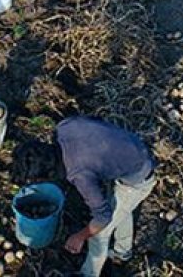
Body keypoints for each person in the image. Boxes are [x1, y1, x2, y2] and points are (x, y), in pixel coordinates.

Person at [13, 116, 157, 276]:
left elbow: (103, 217)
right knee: (122, 206)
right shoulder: (64, 127)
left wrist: (80, 236)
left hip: (139, 174)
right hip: (131, 145)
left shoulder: (81, 176)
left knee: (99, 235)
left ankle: (88, 273)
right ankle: (123, 253)